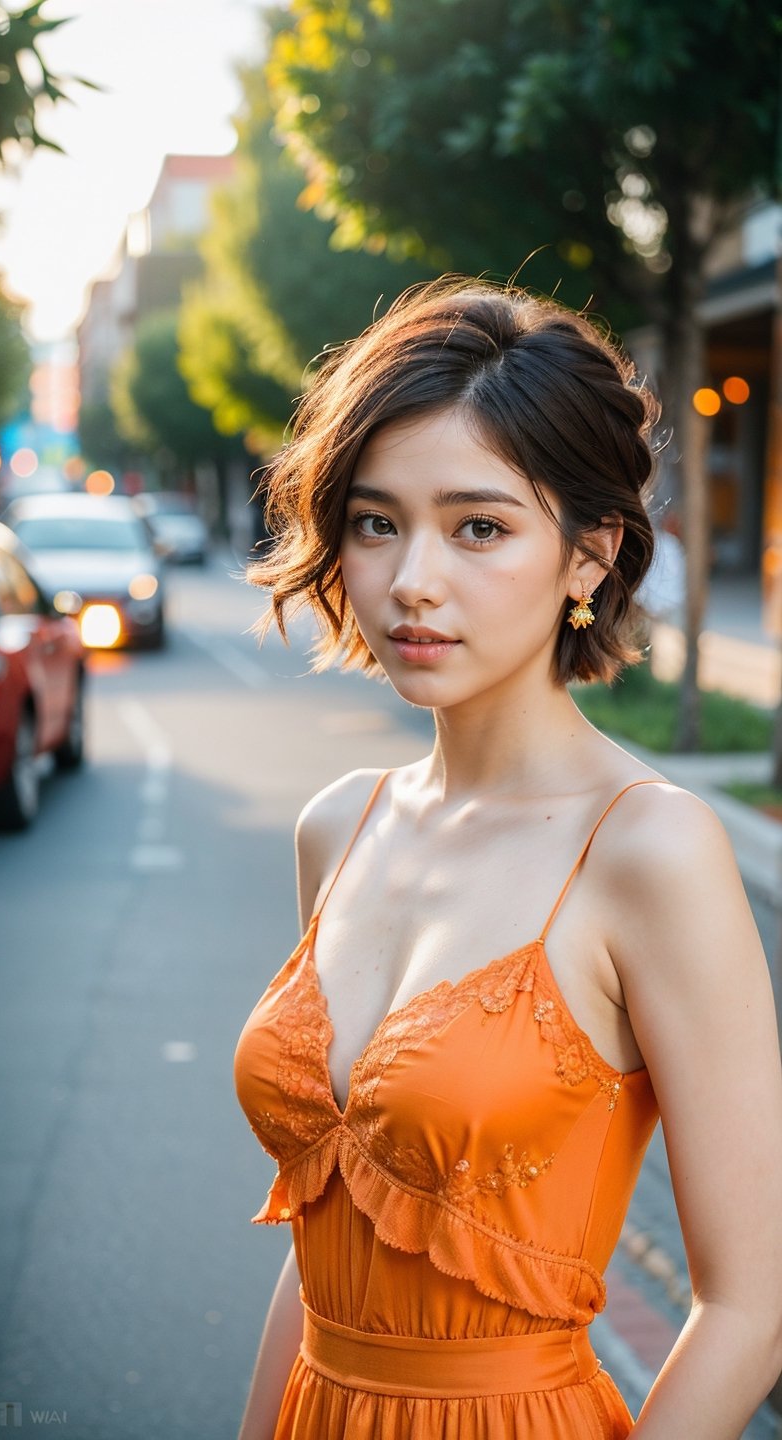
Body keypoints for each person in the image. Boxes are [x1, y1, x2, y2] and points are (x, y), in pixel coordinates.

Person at [233, 278, 782, 1439]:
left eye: (478, 526)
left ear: (588, 558)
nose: (410, 580)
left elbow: (753, 1304)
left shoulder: (647, 848)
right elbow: (329, 1230)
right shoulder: (340, 822)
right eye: (377, 522)